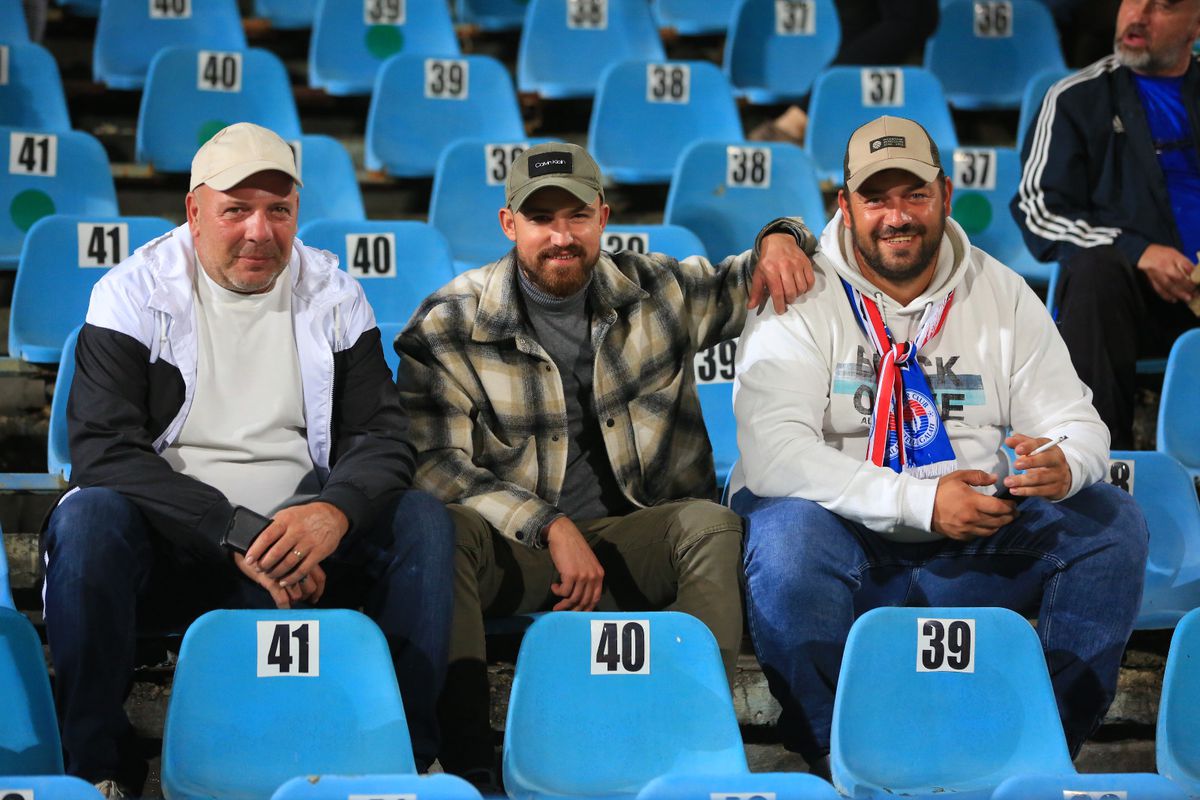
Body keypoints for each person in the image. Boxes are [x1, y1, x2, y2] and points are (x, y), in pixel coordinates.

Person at [41, 123, 454, 796]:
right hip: (178, 543)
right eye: (236, 210)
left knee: (422, 522)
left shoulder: (335, 293)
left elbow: (383, 439)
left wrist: (330, 516)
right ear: (194, 213)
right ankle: (96, 767)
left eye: (279, 211)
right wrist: (237, 532)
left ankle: (408, 760)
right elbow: (102, 452)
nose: (260, 231)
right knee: (88, 520)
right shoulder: (130, 292)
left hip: (306, 547)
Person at [733, 116, 1149, 777]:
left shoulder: (1001, 292)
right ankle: (836, 760)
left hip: (972, 546)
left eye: (914, 195)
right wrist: (921, 503)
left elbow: (1078, 421)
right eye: (876, 198)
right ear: (844, 205)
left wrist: (1064, 461)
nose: (896, 217)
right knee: (784, 537)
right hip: (842, 549)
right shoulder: (799, 292)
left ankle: (1034, 754)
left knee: (1110, 524)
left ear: (946, 195)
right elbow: (773, 454)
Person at [394, 142, 817, 785]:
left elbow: (753, 273)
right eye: (541, 219)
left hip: (632, 540)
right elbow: (435, 466)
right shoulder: (449, 323)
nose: (561, 236)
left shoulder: (658, 290)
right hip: (519, 552)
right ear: (510, 226)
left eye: (576, 217)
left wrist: (780, 236)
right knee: (439, 527)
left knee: (713, 525)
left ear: (603, 217)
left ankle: (682, 741)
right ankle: (471, 763)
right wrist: (549, 526)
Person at [1012, 0, 1200, 448]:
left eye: (1163, 6)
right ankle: (1097, 465)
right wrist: (1137, 251)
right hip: (1133, 303)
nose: (1139, 14)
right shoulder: (1077, 98)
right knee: (1095, 272)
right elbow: (1038, 210)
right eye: (1133, 0)